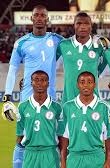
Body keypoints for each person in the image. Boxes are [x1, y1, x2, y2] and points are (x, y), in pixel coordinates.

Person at [1, 5, 63, 168]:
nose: (40, 18)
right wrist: (7, 97)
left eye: (43, 15)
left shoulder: (56, 40)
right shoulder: (21, 43)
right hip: (27, 96)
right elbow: (12, 70)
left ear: (47, 19)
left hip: (50, 97)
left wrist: (96, 42)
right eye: (37, 15)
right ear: (32, 18)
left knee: (53, 138)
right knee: (22, 137)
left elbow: (76, 48)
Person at [57, 71, 110, 168]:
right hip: (74, 158)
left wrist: (108, 160)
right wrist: (63, 161)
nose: (86, 85)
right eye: (82, 82)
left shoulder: (104, 107)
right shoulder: (68, 107)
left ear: (94, 85)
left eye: (89, 82)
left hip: (97, 158)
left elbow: (108, 137)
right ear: (77, 85)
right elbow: (64, 137)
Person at [56, 12, 107, 104]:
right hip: (69, 101)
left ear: (91, 26)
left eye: (86, 24)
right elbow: (49, 62)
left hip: (93, 102)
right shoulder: (64, 45)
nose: (82, 27)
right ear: (74, 26)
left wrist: (96, 73)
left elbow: (105, 65)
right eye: (79, 23)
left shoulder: (99, 47)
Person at [16, 70, 62, 168]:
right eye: (36, 80)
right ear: (31, 83)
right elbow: (19, 136)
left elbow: (61, 136)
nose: (40, 83)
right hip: (30, 153)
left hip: (51, 153)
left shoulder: (57, 107)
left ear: (48, 83)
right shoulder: (23, 107)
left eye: (43, 80)